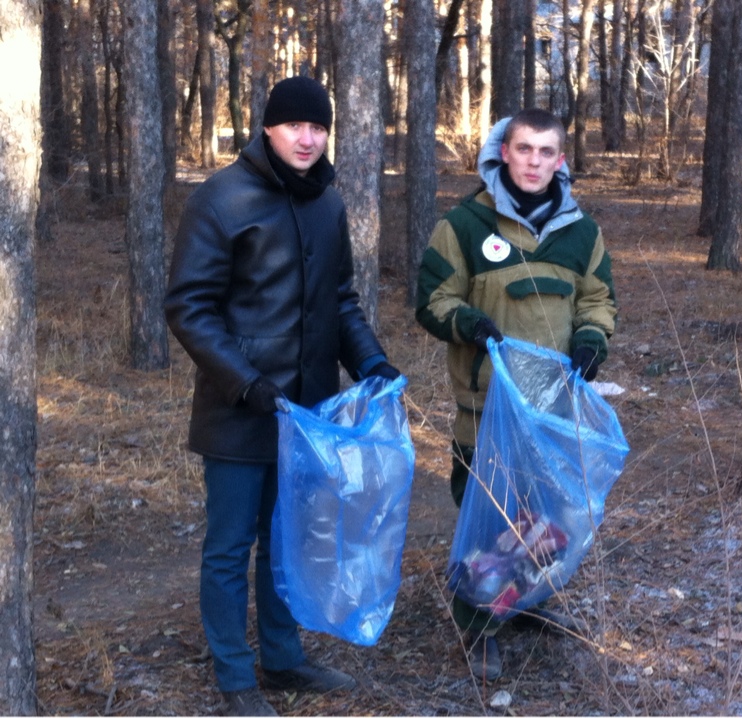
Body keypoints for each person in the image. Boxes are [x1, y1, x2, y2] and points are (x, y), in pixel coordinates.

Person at [165, 75, 400, 717]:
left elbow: (341, 300)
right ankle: (235, 678)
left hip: (308, 415)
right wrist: (246, 383)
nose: (308, 137)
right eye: (296, 124)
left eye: (319, 127)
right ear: (267, 126)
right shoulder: (221, 198)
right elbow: (188, 307)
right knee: (230, 546)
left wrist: (372, 363)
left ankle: (282, 659)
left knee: (288, 538)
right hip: (237, 410)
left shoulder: (328, 202)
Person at [415, 108, 618, 681]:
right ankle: (478, 629)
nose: (533, 162)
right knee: (488, 519)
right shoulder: (464, 226)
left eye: (545, 152)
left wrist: (590, 339)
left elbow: (598, 300)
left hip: (553, 414)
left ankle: (525, 604)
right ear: (504, 153)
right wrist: (469, 324)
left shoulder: (582, 232)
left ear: (561, 160)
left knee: (546, 518)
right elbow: (431, 298)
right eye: (523, 149)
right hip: (485, 412)